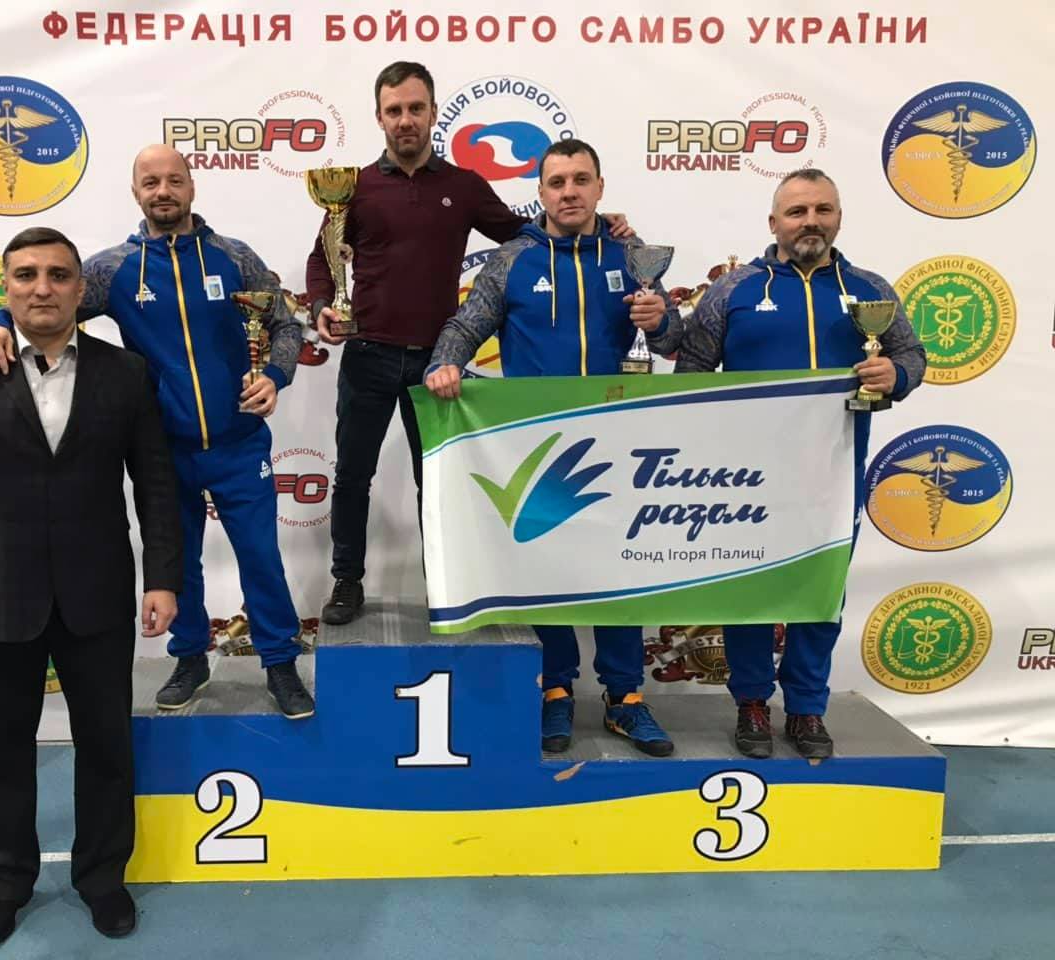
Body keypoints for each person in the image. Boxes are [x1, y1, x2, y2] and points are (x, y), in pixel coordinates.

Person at [0, 228, 182, 949]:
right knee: (1, 750)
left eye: (58, 274)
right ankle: (4, 882)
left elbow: (155, 482)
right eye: (25, 275)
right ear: (5, 289)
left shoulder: (126, 372)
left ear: (80, 290)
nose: (42, 287)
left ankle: (103, 878)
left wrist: (163, 578)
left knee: (107, 746)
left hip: (99, 592)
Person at [0, 145, 314, 718]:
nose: (163, 191)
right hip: (162, 449)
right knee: (176, 562)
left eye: (174, 180)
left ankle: (279, 661)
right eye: (150, 182)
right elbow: (50, 302)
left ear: (191, 187)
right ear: (136, 193)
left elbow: (285, 322)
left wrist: (276, 376)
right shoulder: (113, 270)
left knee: (260, 557)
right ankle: (190, 657)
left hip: (239, 442)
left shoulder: (234, 256)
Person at [308, 61, 631, 626]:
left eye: (415, 108)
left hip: (438, 364)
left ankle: (444, 584)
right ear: (379, 117)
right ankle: (346, 582)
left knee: (436, 483)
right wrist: (320, 308)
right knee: (352, 477)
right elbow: (322, 261)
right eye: (394, 110)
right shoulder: (354, 188)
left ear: (433, 112)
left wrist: (600, 225)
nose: (405, 120)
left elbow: (525, 235)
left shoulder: (464, 187)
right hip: (366, 355)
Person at [645, 168, 927, 759]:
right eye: (797, 212)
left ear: (839, 217)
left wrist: (895, 374)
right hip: (747, 475)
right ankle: (751, 701)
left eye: (823, 210)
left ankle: (806, 707)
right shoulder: (735, 290)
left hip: (834, 471)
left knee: (820, 592)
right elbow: (693, 368)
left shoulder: (870, 290)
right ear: (774, 222)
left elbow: (911, 355)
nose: (810, 222)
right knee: (750, 587)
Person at [424, 139, 679, 757]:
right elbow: (467, 323)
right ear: (540, 192)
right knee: (548, 569)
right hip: (542, 447)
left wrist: (660, 321)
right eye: (557, 182)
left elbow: (674, 341)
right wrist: (443, 362)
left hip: (623, 442)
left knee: (622, 569)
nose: (569, 192)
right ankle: (556, 689)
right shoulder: (513, 259)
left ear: (599, 187)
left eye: (580, 180)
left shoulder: (632, 254)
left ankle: (626, 697)